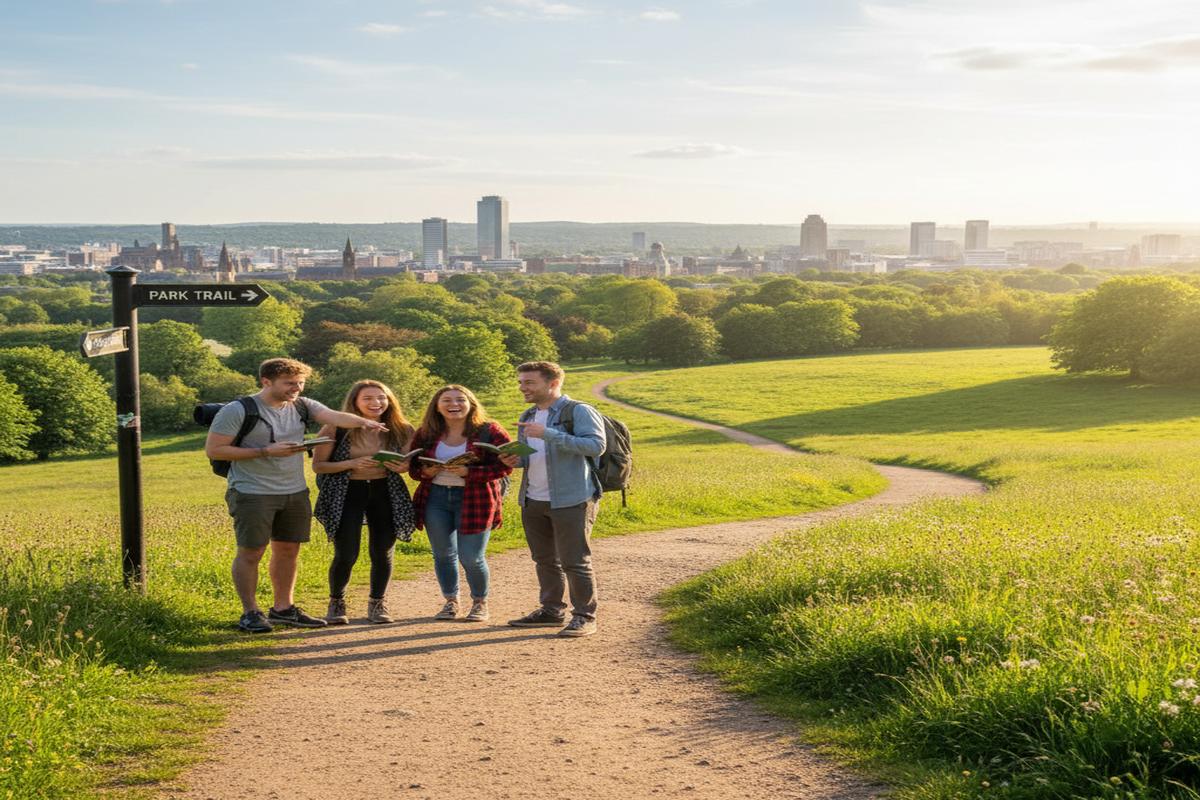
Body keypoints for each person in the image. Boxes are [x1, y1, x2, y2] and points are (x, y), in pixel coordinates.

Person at [205, 357, 388, 634]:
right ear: (266, 381)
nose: (297, 388)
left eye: (301, 383)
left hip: (294, 490)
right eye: (290, 383)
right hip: (252, 491)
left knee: (289, 550)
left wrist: (364, 422)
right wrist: (266, 451)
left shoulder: (302, 405)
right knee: (251, 551)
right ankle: (250, 613)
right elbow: (215, 450)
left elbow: (333, 416)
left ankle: (283, 609)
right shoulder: (238, 410)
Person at [501, 361, 605, 638]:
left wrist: (549, 434)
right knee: (544, 559)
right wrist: (515, 459)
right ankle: (551, 611)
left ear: (553, 383)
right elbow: (532, 456)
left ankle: (585, 616)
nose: (523, 388)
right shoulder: (528, 414)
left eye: (529, 382)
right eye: (521, 382)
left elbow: (596, 446)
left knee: (575, 560)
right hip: (533, 498)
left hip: (572, 498)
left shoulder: (579, 411)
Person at [311, 380, 416, 625]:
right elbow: (319, 466)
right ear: (355, 403)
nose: (376, 403)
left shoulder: (402, 428)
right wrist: (351, 464)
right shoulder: (335, 428)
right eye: (368, 398)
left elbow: (408, 462)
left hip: (385, 490)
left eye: (381, 397)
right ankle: (337, 602)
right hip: (347, 491)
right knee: (347, 552)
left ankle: (377, 603)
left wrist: (402, 466)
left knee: (382, 551)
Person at [407, 385, 513, 623]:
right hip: (435, 497)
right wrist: (427, 471)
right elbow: (413, 468)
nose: (454, 404)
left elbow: (506, 466)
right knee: (443, 554)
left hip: (476, 499)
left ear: (471, 403)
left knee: (471, 557)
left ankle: (479, 602)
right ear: (437, 405)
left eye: (460, 399)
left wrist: (469, 472)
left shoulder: (489, 430)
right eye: (446, 400)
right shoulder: (426, 432)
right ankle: (451, 602)